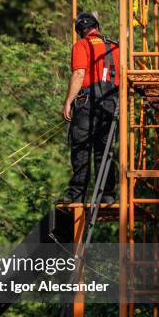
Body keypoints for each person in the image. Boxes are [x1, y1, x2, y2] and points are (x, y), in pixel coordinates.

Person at [58, 12, 120, 204]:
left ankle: (77, 194)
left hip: (87, 101)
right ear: (97, 27)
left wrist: (68, 101)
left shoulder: (81, 45)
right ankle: (107, 194)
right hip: (112, 103)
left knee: (82, 146)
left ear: (80, 31)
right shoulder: (116, 46)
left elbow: (79, 73)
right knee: (105, 148)